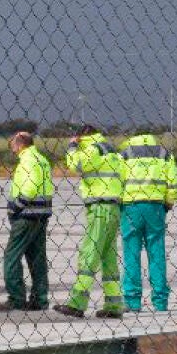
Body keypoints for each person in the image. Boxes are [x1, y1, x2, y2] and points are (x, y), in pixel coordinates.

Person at [55, 125, 125, 319]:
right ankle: (114, 304)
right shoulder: (111, 150)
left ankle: (77, 303)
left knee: (89, 253)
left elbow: (76, 165)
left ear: (82, 136)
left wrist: (71, 146)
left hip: (100, 208)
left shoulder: (93, 149)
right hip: (114, 207)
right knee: (108, 257)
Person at [118, 133, 177, 312]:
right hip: (156, 206)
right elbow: (173, 183)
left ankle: (132, 301)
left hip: (130, 207)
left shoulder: (125, 154)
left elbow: (117, 181)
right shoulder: (164, 154)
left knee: (131, 253)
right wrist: (168, 202)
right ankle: (160, 301)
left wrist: (119, 202)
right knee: (157, 252)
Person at [0, 131, 53, 312]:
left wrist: (15, 207)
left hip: (26, 214)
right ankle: (40, 298)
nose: (10, 146)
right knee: (37, 258)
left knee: (11, 257)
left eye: (12, 142)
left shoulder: (27, 160)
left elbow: (29, 189)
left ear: (20, 143)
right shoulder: (41, 159)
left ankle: (16, 297)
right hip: (42, 214)